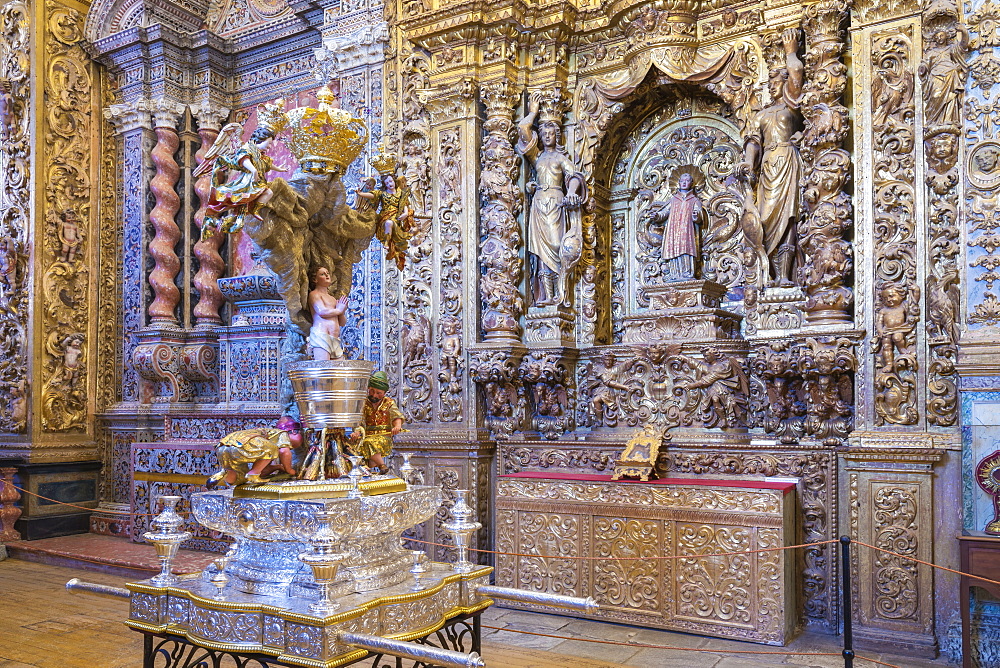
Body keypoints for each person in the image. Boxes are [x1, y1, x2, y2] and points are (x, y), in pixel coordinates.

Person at [740, 28, 804, 287]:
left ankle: (787, 277)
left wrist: (791, 53)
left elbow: (797, 75)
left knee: (789, 217)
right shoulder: (761, 115)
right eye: (770, 84)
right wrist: (748, 162)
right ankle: (771, 273)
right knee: (765, 220)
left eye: (776, 82)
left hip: (788, 160)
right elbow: (754, 141)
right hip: (768, 167)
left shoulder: (790, 103)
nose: (772, 86)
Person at [517, 90, 587, 307]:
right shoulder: (537, 156)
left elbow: (574, 175)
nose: (547, 136)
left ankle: (560, 293)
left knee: (557, 248)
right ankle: (546, 297)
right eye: (544, 133)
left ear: (557, 136)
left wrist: (573, 192)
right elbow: (522, 129)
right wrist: (533, 113)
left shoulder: (559, 157)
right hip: (539, 202)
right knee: (540, 253)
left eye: (551, 133)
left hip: (556, 202)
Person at [198, 125, 288, 239]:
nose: (270, 147)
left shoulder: (260, 154)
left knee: (268, 194)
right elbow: (243, 159)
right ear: (259, 140)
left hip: (258, 183)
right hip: (246, 183)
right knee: (238, 201)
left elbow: (268, 164)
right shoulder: (247, 149)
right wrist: (253, 170)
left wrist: (280, 169)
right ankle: (214, 222)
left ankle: (254, 210)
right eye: (268, 143)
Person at [642, 168, 705, 280]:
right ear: (679, 183)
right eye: (682, 181)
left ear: (691, 183)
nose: (684, 183)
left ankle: (687, 273)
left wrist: (696, 216)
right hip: (674, 231)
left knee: (686, 250)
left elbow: (699, 214)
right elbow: (665, 212)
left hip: (687, 231)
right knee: (674, 250)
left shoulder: (694, 200)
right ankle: (674, 273)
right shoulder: (673, 200)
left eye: (687, 181)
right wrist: (657, 216)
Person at [207, 416, 303, 487]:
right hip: (243, 444)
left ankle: (224, 473)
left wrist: (277, 467)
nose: (290, 447)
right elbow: (284, 452)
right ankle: (253, 474)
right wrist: (289, 470)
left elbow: (263, 472)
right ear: (294, 432)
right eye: (291, 446)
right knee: (272, 449)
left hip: (223, 447)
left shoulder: (265, 450)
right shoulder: (282, 433)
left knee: (240, 479)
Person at [356, 172, 414, 271]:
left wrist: (405, 214)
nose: (390, 184)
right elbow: (372, 196)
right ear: (385, 185)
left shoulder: (401, 193)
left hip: (398, 217)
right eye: (387, 183)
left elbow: (405, 205)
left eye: (391, 181)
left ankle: (394, 247)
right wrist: (361, 194)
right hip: (385, 217)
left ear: (394, 181)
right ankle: (387, 243)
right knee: (388, 223)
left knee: (392, 223)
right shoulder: (382, 194)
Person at [350, 371, 404, 473]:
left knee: (369, 443)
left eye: (378, 393)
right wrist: (357, 432)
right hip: (366, 434)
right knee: (352, 446)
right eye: (371, 391)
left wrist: (397, 426)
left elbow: (396, 416)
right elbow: (358, 421)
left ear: (384, 393)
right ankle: (366, 469)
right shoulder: (363, 403)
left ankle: (381, 466)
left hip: (383, 435)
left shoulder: (389, 403)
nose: (374, 395)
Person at [307, 266, 348, 360]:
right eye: (322, 274)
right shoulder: (314, 294)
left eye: (327, 273)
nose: (326, 275)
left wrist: (341, 312)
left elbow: (342, 323)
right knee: (324, 369)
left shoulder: (332, 298)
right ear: (315, 279)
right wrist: (339, 310)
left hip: (335, 339)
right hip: (321, 336)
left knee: (338, 372)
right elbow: (322, 312)